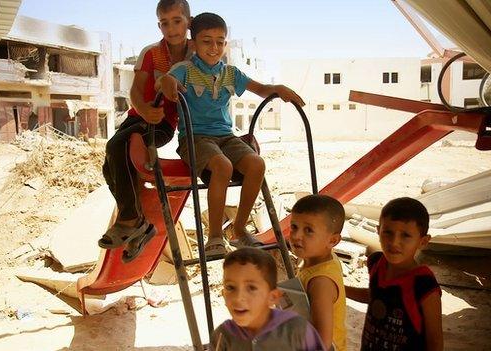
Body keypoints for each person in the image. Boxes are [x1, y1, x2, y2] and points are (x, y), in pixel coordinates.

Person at [158, 12, 305, 256]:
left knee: (257, 164)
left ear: (226, 44)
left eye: (220, 41)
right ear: (193, 44)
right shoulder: (184, 69)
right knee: (223, 166)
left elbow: (261, 89)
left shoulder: (231, 73)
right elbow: (164, 81)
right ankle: (215, 236)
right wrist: (166, 82)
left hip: (226, 136)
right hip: (195, 138)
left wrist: (277, 88)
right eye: (206, 41)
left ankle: (239, 229)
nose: (214, 47)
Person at [99, 0, 193, 262]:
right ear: (158, 25)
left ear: (189, 21)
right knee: (110, 165)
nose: (171, 28)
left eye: (177, 20)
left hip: (162, 123)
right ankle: (141, 226)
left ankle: (130, 219)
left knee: (117, 146)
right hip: (139, 117)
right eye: (165, 23)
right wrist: (143, 108)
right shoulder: (150, 53)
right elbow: (135, 90)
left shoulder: (196, 55)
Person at [345, 197, 443, 351]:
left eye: (405, 235)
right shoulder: (376, 262)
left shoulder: (424, 285)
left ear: (423, 241)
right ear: (378, 231)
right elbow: (375, 296)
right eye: (388, 232)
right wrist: (341, 289)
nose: (394, 242)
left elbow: (435, 341)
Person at [211, 247, 325, 351]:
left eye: (251, 288)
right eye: (230, 288)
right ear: (223, 294)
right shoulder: (223, 335)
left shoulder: (296, 330)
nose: (238, 297)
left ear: (272, 297)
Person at [289, 194, 348, 351]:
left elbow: (322, 342)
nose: (296, 236)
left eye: (308, 230)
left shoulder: (321, 282)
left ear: (332, 241)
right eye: (294, 227)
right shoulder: (320, 260)